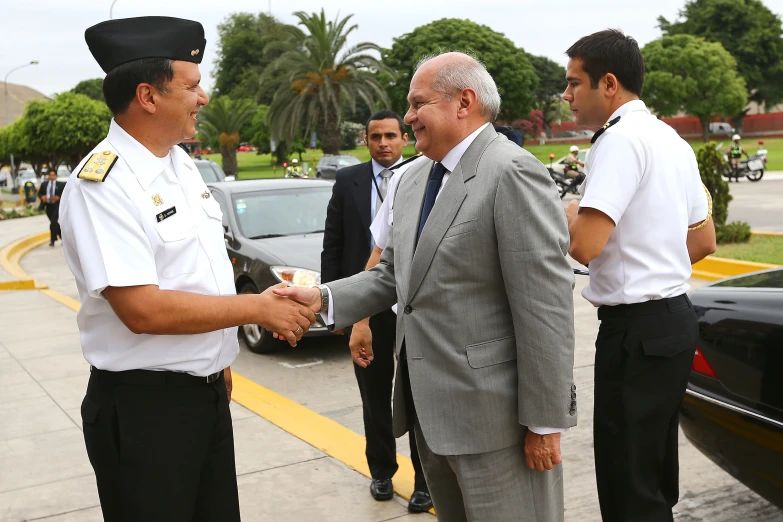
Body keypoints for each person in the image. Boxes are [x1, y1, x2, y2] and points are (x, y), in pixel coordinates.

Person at [276, 51, 576, 522]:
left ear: (464, 101)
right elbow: (393, 274)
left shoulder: (511, 172)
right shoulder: (414, 178)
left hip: (498, 424)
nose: (409, 116)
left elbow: (545, 308)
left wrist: (544, 422)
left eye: (418, 104)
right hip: (429, 417)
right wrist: (322, 298)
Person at [59, 16, 316, 522]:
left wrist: (215, 358)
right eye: (192, 85)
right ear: (148, 96)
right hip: (145, 411)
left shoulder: (179, 166)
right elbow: (142, 309)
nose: (204, 97)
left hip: (203, 395)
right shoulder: (103, 184)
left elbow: (195, 272)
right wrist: (256, 309)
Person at [562, 30, 717, 522]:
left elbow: (585, 245)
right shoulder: (669, 137)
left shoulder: (618, 141)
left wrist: (567, 212)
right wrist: (653, 264)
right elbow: (703, 241)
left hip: (635, 333)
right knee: (651, 479)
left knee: (628, 486)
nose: (565, 96)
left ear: (608, 84)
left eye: (572, 83)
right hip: (671, 322)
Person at [321, 109, 431, 512]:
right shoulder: (348, 180)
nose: (383, 143)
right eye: (375, 137)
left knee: (419, 395)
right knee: (374, 395)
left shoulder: (425, 175)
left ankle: (425, 480)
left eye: (390, 136)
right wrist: (338, 308)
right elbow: (333, 244)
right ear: (365, 141)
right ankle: (382, 471)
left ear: (403, 138)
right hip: (367, 305)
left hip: (413, 307)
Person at [38, 169, 65, 246]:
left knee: (53, 222)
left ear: (56, 176)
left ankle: (52, 240)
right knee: (54, 223)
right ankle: (62, 237)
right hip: (48, 206)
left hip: (56, 206)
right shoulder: (44, 184)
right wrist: (42, 197)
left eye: (53, 175)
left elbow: (64, 194)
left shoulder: (61, 185)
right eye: (50, 175)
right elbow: (39, 193)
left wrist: (58, 197)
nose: (51, 176)